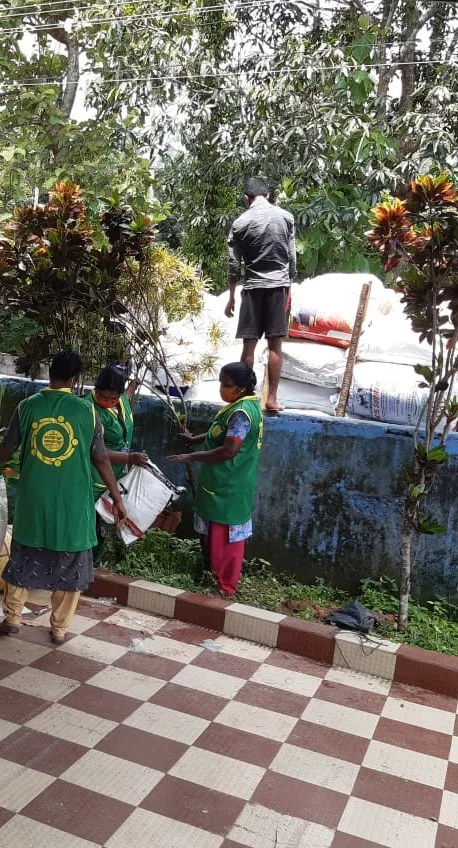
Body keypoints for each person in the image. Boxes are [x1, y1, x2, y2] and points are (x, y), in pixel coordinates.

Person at [0, 351, 126, 644]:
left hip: (34, 500)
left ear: (51, 373)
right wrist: (117, 497)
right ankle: (59, 628)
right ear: (74, 379)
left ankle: (12, 618)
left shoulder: (27, 407)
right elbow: (100, 457)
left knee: (24, 557)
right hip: (73, 504)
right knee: (71, 563)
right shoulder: (87, 411)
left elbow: (5, 451)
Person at [169, 362, 263, 597]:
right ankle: (215, 578)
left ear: (241, 388)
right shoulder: (240, 406)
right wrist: (194, 440)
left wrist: (191, 456)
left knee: (227, 539)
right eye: (220, 382)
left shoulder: (241, 414)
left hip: (229, 484)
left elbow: (228, 450)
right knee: (214, 535)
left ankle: (225, 587)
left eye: (227, 385)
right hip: (220, 483)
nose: (222, 389)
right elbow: (218, 433)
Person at [225, 176, 296, 415]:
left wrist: (232, 297)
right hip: (279, 287)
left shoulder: (240, 222)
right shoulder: (286, 218)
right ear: (268, 195)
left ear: (247, 198)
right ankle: (272, 399)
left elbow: (234, 266)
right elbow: (292, 259)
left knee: (249, 346)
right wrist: (288, 286)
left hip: (253, 289)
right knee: (275, 344)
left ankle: (245, 398)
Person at [86, 363, 148, 562]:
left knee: (106, 522)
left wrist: (133, 386)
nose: (109, 402)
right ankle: (85, 568)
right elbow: (96, 451)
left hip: (116, 475)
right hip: (94, 476)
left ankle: (93, 566)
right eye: (104, 397)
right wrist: (130, 458)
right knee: (91, 526)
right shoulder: (88, 409)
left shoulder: (120, 400)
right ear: (96, 390)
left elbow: (126, 397)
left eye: (114, 398)